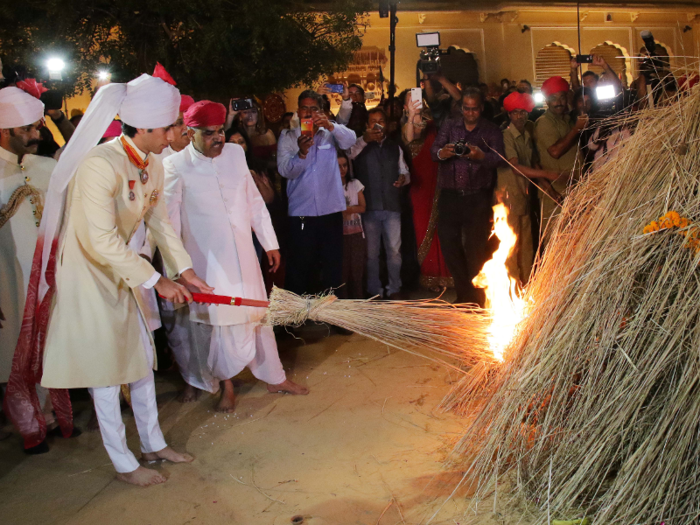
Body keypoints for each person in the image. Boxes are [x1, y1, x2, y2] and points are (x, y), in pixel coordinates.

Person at [35, 73, 213, 486]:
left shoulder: (152, 163)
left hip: (126, 273)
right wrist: (156, 281)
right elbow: (98, 239)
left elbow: (160, 222)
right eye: (170, 127)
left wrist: (183, 271)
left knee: (139, 362)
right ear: (146, 127)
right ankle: (123, 462)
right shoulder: (99, 164)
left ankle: (152, 443)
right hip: (89, 276)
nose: (176, 134)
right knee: (105, 372)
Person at [163, 100, 308, 412]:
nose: (218, 138)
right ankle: (226, 386)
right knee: (222, 324)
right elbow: (169, 225)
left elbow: (253, 201)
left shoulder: (235, 154)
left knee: (259, 316)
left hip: (244, 254)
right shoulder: (174, 167)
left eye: (220, 131)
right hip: (207, 263)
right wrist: (179, 269)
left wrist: (270, 242)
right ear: (189, 133)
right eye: (209, 133)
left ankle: (275, 377)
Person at [0, 82, 75, 450]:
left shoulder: (45, 167)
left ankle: (49, 416)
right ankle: (28, 428)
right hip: (7, 282)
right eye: (27, 130)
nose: (35, 135)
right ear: (4, 131)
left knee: (49, 345)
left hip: (48, 277)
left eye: (36, 128)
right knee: (15, 350)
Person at [277, 90, 356, 297]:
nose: (309, 113)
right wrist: (301, 154)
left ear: (321, 111)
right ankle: (294, 321)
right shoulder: (287, 137)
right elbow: (285, 170)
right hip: (302, 214)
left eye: (314, 109)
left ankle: (333, 318)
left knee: (332, 267)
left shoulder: (330, 133)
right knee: (299, 267)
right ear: (298, 110)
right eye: (305, 108)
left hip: (330, 211)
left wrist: (331, 125)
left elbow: (350, 141)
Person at [431, 87, 505, 306]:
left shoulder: (491, 130)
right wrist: (442, 152)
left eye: (474, 109)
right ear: (460, 107)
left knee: (476, 249)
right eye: (466, 109)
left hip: (477, 197)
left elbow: (499, 159)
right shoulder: (449, 126)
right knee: (450, 246)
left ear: (481, 108)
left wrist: (480, 155)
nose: (470, 113)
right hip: (450, 196)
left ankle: (477, 296)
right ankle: (463, 294)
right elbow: (434, 150)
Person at [500, 91, 565, 285]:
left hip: (525, 196)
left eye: (523, 112)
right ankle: (511, 288)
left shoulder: (528, 131)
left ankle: (528, 286)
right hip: (509, 199)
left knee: (527, 245)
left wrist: (551, 191)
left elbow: (535, 164)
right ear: (509, 114)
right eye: (515, 112)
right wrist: (549, 175)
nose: (520, 116)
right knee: (511, 245)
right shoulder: (506, 136)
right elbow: (516, 167)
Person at [349, 107, 410, 299]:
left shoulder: (395, 146)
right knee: (371, 254)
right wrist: (365, 139)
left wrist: (403, 178)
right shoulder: (359, 146)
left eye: (381, 120)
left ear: (387, 124)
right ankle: (374, 290)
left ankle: (394, 288)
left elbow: (405, 171)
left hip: (392, 206)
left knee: (394, 251)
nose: (377, 124)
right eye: (373, 121)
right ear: (367, 125)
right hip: (369, 208)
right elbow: (348, 155)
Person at [403, 97, 452, 291]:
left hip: (439, 183)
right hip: (420, 187)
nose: (417, 102)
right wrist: (412, 117)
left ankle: (447, 276)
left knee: (443, 229)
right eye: (411, 100)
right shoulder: (406, 126)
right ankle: (430, 275)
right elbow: (411, 136)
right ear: (405, 106)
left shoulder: (433, 122)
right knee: (422, 228)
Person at [534, 76, 586, 240]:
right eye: (553, 98)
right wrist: (576, 129)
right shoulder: (544, 122)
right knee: (557, 244)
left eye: (562, 97)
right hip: (556, 195)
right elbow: (555, 152)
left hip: (575, 191)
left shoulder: (567, 119)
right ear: (547, 101)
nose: (559, 102)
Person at [337, 150, 366, 299]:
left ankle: (359, 303)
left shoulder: (355, 184)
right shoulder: (331, 187)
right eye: (338, 166)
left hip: (355, 233)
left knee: (357, 270)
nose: (342, 170)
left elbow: (362, 207)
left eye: (344, 166)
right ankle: (344, 306)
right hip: (339, 235)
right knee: (342, 272)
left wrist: (346, 209)